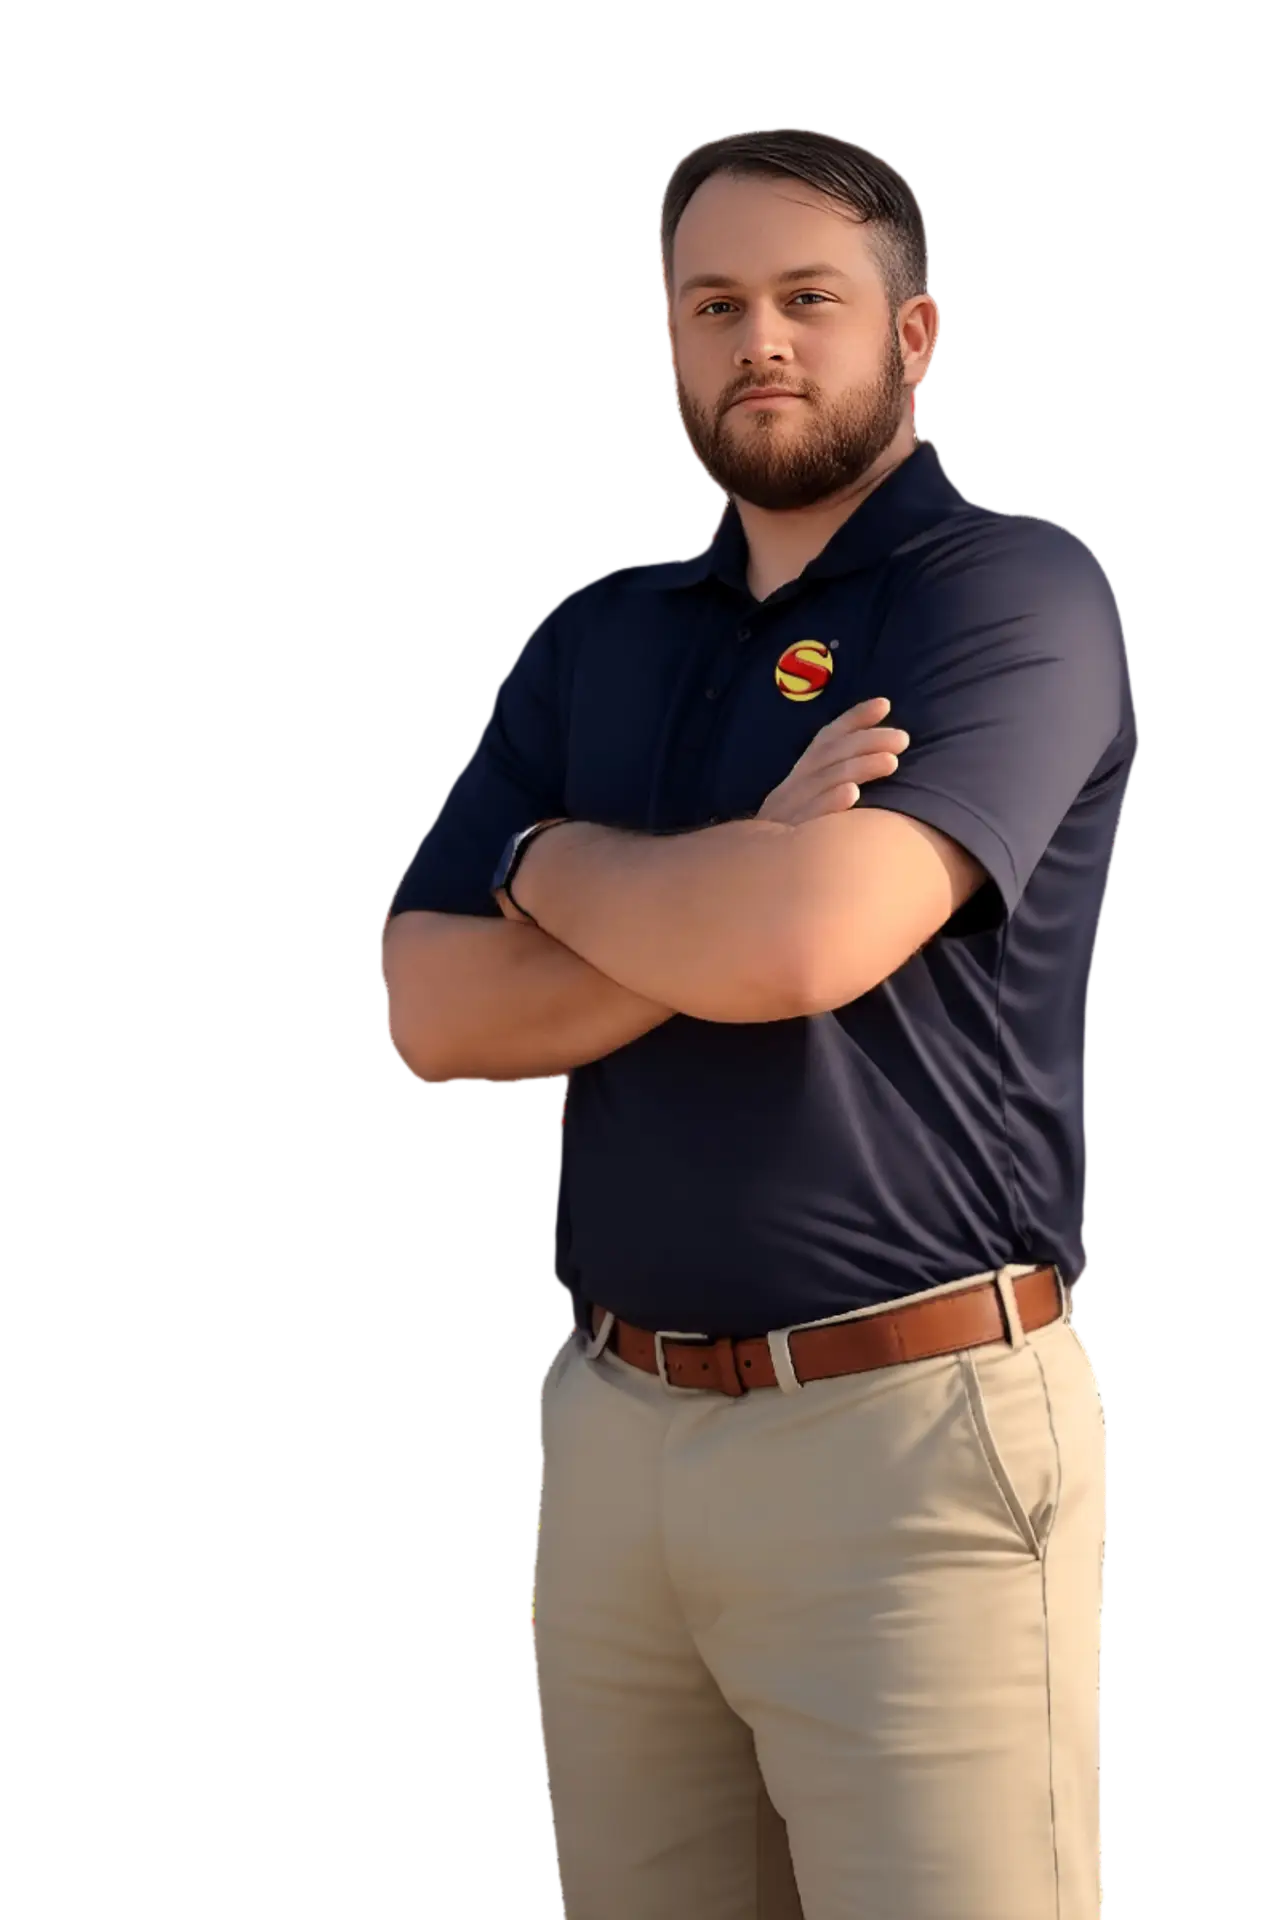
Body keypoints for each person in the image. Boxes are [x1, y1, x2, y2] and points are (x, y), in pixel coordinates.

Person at [382, 129, 1127, 1919]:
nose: (760, 341)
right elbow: (430, 1010)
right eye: (712, 306)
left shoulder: (1007, 597)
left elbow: (808, 943)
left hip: (906, 1439)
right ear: (668, 338)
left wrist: (550, 866)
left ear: (914, 333)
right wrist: (705, 886)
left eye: (808, 298)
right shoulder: (598, 636)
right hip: (615, 1437)